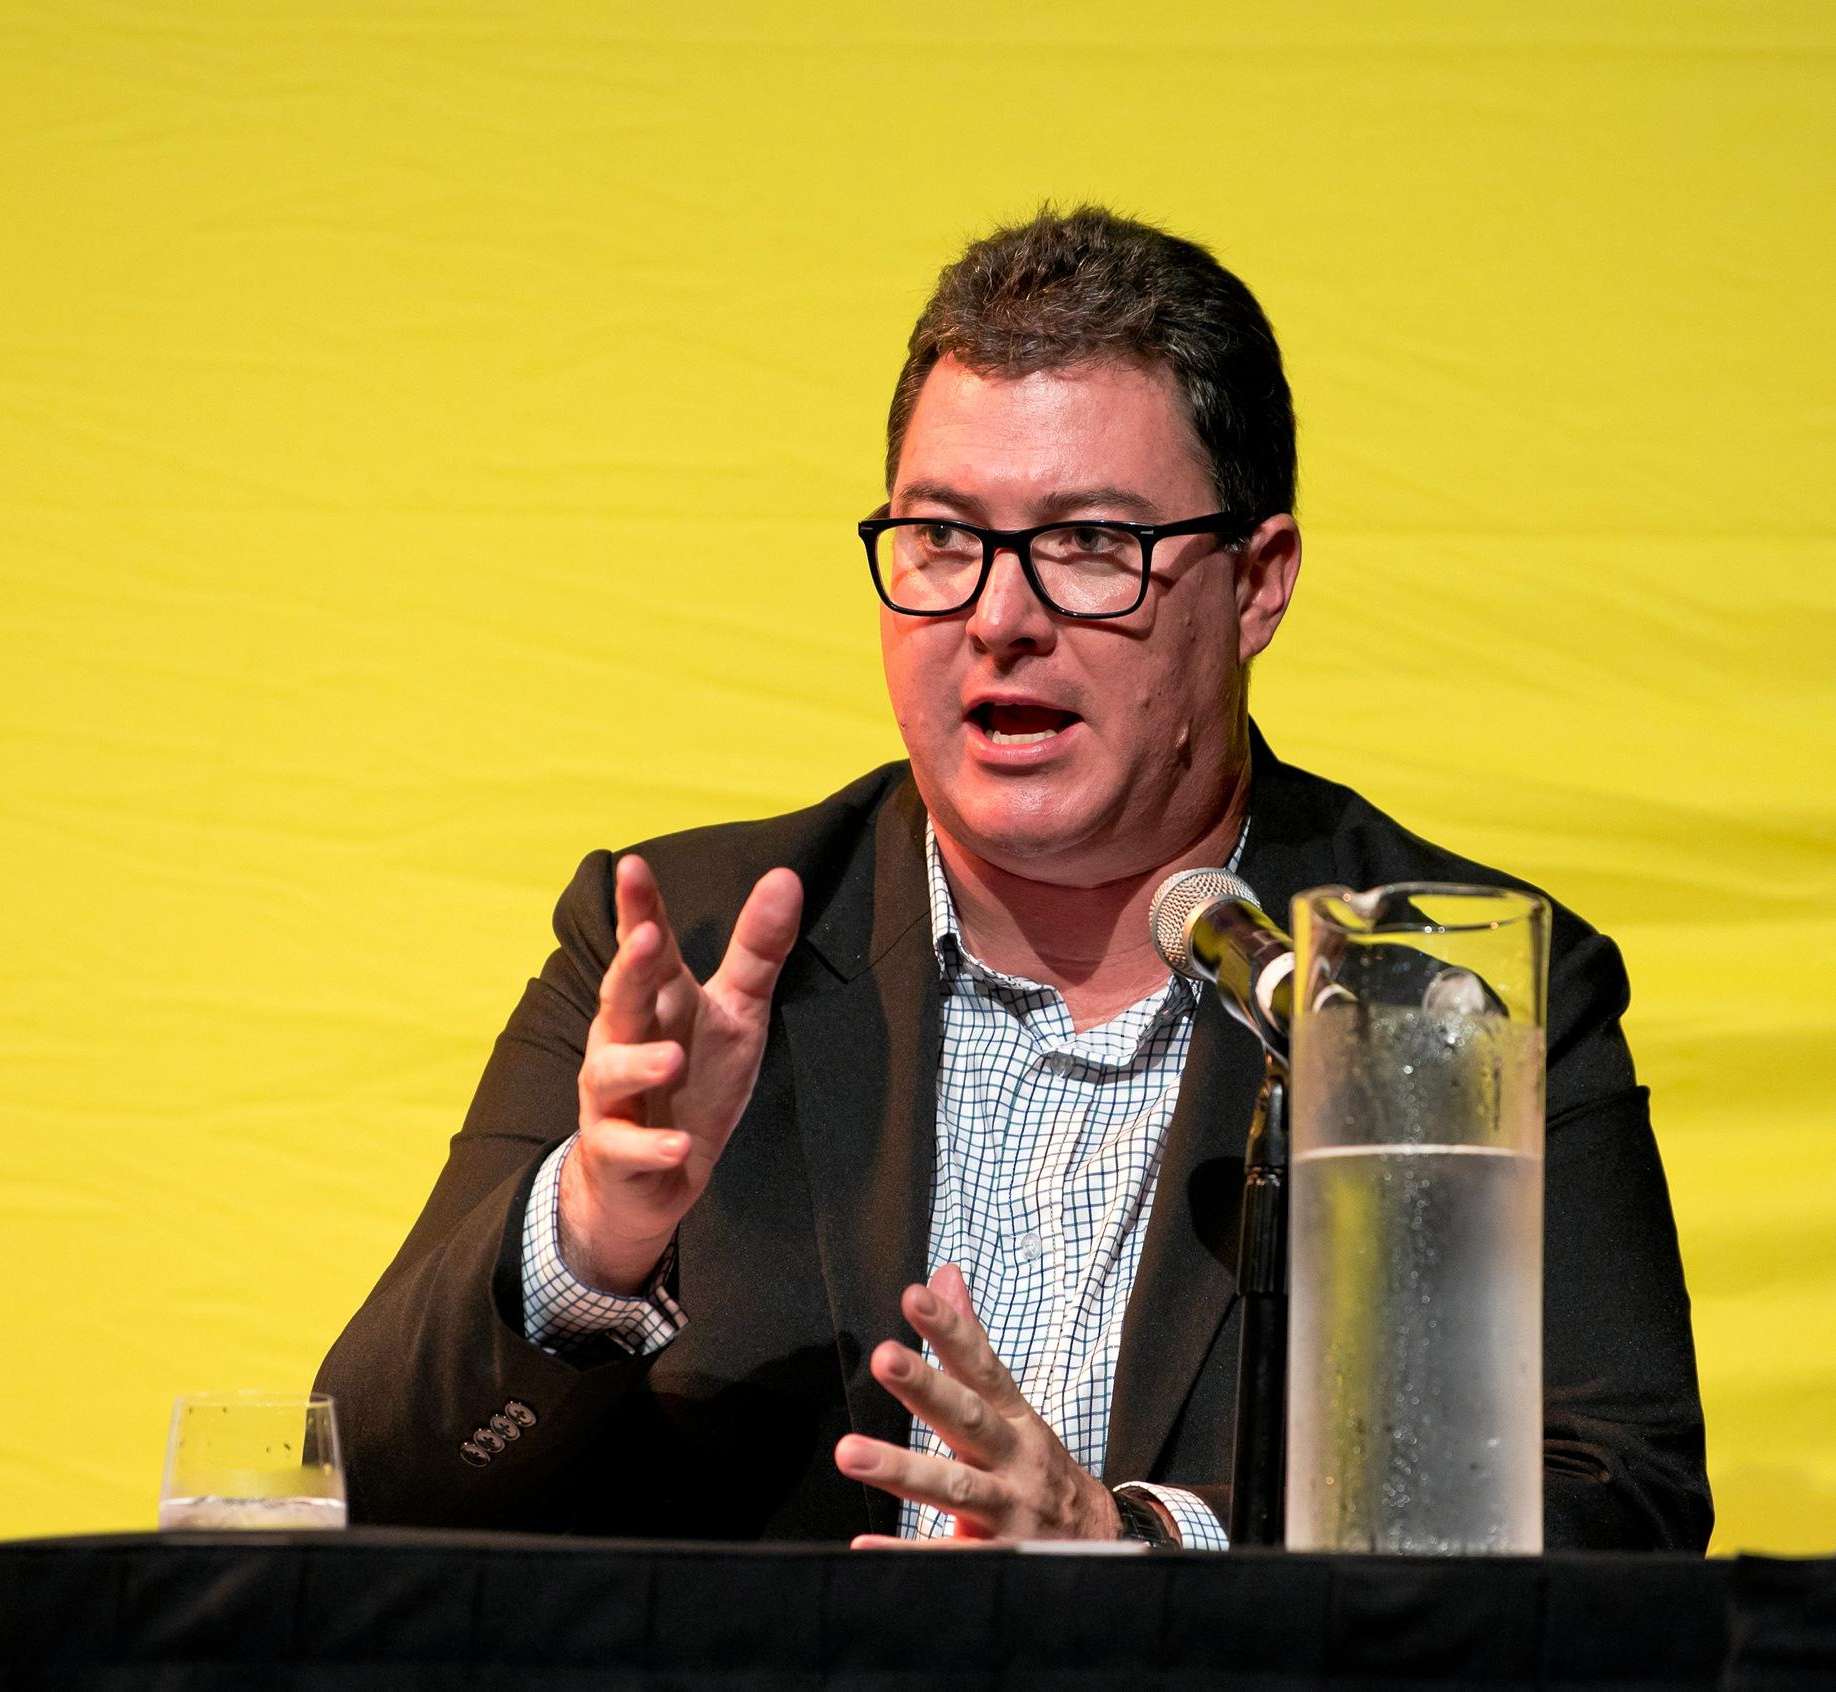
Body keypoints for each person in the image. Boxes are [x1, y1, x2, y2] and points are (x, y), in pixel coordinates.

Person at [316, 206, 1710, 1550]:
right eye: (940, 539)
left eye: (1090, 545)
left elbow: (1616, 1505)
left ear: (1258, 583)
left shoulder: (1425, 997)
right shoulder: (685, 952)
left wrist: (1150, 1558)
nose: (996, 617)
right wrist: (592, 1237)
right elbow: (366, 1496)